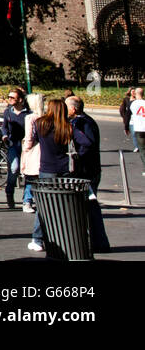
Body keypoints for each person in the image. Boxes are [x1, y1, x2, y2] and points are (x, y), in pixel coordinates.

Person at [25, 93, 74, 253]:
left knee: (44, 206)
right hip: (64, 167)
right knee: (65, 204)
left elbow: (32, 141)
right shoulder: (67, 126)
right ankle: (64, 236)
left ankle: (37, 239)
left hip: (47, 167)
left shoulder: (40, 124)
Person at [67, 95, 110, 252]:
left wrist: (77, 156)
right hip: (90, 169)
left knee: (90, 207)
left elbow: (88, 144)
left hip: (88, 170)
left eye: (67, 107)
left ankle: (97, 242)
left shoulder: (83, 122)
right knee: (89, 207)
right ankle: (96, 242)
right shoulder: (85, 121)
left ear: (74, 108)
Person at [1, 88, 30, 209]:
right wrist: (5, 135)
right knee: (14, 168)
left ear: (20, 99)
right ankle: (9, 192)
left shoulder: (28, 113)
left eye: (12, 97)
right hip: (13, 144)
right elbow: (4, 127)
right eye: (9, 97)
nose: (9, 99)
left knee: (29, 173)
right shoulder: (8, 112)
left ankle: (27, 199)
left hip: (26, 145)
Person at [19, 93, 44, 214]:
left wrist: (26, 148)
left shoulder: (30, 118)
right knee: (40, 176)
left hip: (33, 149)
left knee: (30, 176)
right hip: (44, 149)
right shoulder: (44, 117)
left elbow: (29, 136)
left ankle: (27, 201)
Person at [128, 86, 145, 175]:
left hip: (139, 129)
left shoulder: (133, 104)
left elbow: (129, 114)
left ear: (135, 94)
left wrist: (126, 127)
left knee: (142, 150)